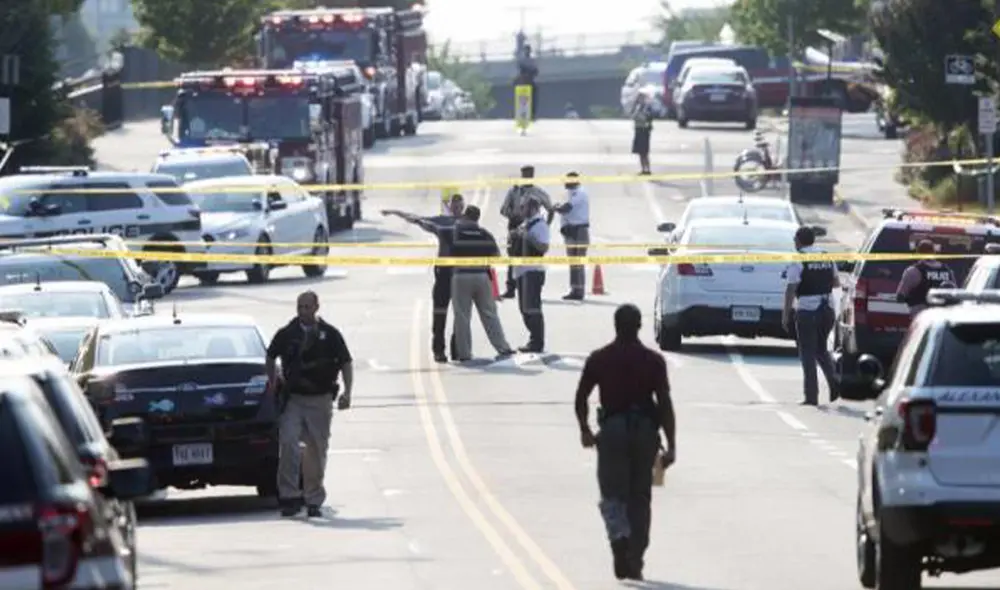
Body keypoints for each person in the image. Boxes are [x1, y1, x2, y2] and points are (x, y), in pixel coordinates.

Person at [574, 304, 676, 581]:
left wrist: (585, 429)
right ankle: (636, 556)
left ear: (615, 326)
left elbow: (581, 397)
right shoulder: (654, 361)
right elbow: (664, 404)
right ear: (639, 326)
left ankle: (619, 539)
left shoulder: (600, 358)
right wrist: (671, 445)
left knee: (612, 495)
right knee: (640, 497)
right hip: (645, 433)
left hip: (612, 432)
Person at [266, 291, 354, 518]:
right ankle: (289, 496)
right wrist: (273, 382)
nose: (303, 311)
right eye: (300, 307)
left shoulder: (330, 334)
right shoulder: (287, 333)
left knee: (316, 450)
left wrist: (348, 392)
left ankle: (313, 498)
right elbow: (271, 355)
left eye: (307, 307)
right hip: (294, 399)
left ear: (316, 307)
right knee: (288, 442)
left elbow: (346, 362)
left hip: (320, 399)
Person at [382, 194, 465, 363]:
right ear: (450, 207)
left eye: (459, 206)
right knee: (440, 313)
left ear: (463, 207)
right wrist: (395, 212)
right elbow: (416, 219)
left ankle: (458, 349)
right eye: (454, 206)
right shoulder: (442, 222)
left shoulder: (467, 222)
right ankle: (439, 350)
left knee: (461, 315)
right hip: (444, 274)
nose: (457, 209)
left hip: (460, 274)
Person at [448, 205, 515, 361]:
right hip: (482, 276)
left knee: (462, 317)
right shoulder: (485, 234)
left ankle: (464, 354)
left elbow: (448, 253)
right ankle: (503, 348)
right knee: (490, 314)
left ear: (465, 217)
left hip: (461, 276)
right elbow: (496, 256)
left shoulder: (456, 233)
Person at [782, 226, 840, 406]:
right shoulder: (826, 256)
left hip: (808, 311)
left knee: (807, 353)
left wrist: (785, 314)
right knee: (821, 349)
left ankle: (811, 396)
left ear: (799, 241)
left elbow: (791, 288)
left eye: (795, 239)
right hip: (828, 309)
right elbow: (836, 282)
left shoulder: (798, 259)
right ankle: (835, 382)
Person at [499, 165, 555, 298]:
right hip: (515, 225)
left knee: (533, 255)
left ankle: (533, 286)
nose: (527, 177)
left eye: (529, 174)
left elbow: (551, 209)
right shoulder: (514, 191)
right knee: (513, 256)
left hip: (532, 224)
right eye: (525, 174)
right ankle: (511, 288)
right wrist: (513, 215)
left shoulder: (538, 192)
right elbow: (503, 209)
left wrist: (546, 225)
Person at [511, 196, 550, 352]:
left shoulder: (540, 225)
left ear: (533, 208)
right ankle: (534, 339)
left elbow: (544, 247)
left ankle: (537, 342)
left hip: (532, 271)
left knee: (532, 308)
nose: (520, 210)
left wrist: (528, 237)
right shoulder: (525, 223)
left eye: (523, 207)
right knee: (524, 308)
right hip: (521, 271)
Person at [896, 239, 957, 317]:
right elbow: (955, 294)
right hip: (942, 317)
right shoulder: (948, 271)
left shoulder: (914, 271)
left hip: (921, 317)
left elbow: (900, 296)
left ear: (918, 253)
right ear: (934, 253)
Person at [555, 171, 590, 300]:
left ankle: (579, 290)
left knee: (578, 262)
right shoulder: (569, 193)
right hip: (570, 231)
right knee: (573, 262)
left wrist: (555, 208)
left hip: (580, 230)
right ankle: (574, 289)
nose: (565, 183)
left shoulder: (580, 193)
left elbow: (566, 208)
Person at [631, 93, 653, 175]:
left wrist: (640, 115)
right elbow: (633, 116)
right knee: (640, 152)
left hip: (644, 130)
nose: (639, 100)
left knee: (645, 152)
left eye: (641, 98)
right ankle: (643, 169)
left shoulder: (646, 107)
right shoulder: (637, 107)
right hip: (638, 129)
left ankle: (648, 169)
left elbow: (647, 117)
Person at [516, 45, 539, 120]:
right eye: (526, 50)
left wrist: (531, 72)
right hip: (524, 82)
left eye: (528, 50)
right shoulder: (522, 60)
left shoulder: (532, 60)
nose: (527, 52)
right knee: (523, 99)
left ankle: (533, 114)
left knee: (533, 98)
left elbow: (536, 71)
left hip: (531, 81)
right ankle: (523, 114)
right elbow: (520, 69)